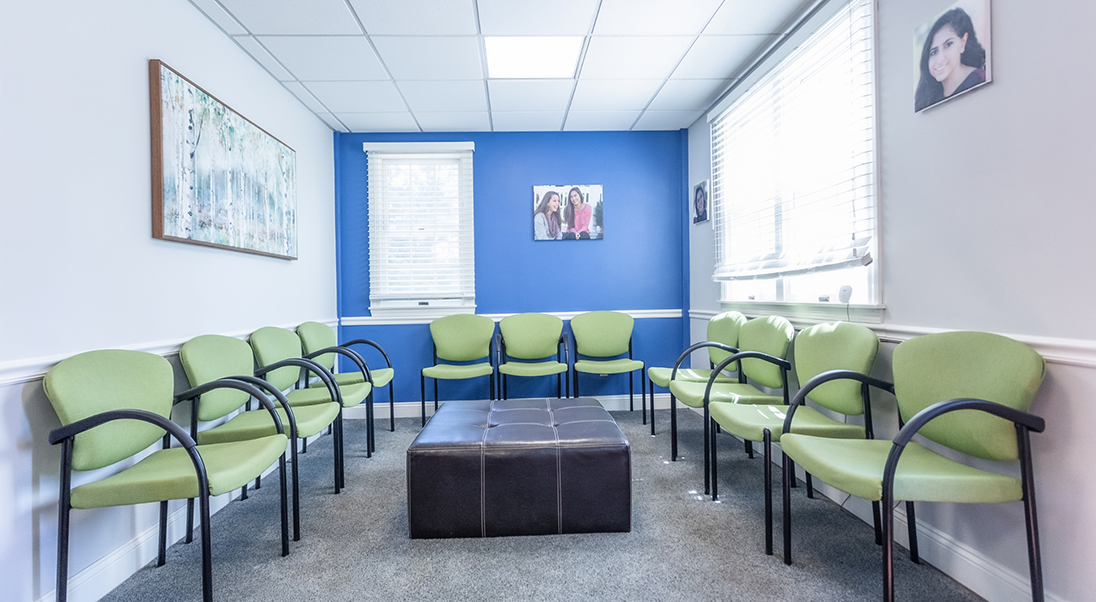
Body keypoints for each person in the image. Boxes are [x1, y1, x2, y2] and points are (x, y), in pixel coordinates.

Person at [914, 7, 987, 112]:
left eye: (948, 45)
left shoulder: (980, 78)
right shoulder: (929, 98)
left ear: (962, 43)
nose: (940, 59)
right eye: (934, 52)